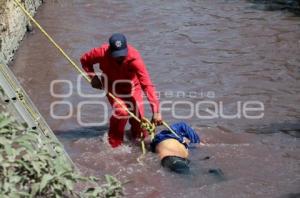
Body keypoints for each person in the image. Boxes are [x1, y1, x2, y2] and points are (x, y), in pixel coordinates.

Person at [80, 33, 162, 148]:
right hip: (112, 87)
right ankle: (113, 144)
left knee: (138, 119)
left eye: (122, 55)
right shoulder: (101, 52)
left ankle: (139, 140)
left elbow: (147, 85)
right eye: (116, 55)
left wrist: (156, 111)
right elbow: (85, 60)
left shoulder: (134, 58)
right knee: (122, 112)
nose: (119, 58)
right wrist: (93, 77)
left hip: (133, 87)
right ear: (110, 50)